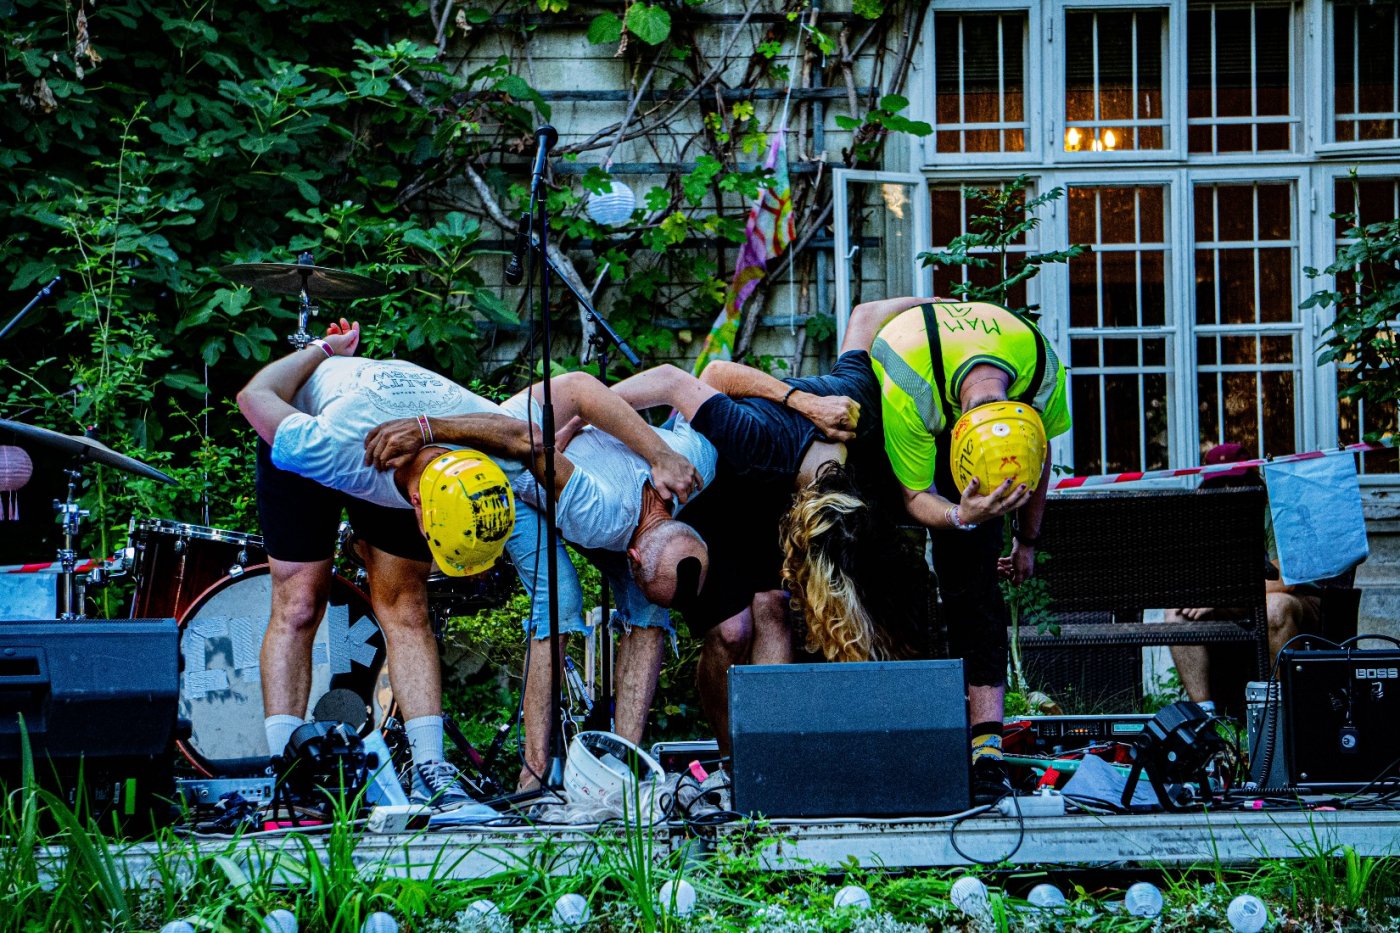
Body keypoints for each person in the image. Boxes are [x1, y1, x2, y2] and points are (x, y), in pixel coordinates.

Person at [238, 320, 703, 804]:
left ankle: (430, 770)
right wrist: (323, 350)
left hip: (419, 435)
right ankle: (283, 774)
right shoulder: (323, 448)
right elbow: (254, 396)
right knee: (300, 603)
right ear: (419, 510)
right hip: (309, 414)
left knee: (406, 607)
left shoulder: (489, 446)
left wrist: (429, 428)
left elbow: (519, 431)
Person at [363, 378, 717, 789]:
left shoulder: (696, 465)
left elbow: (706, 376)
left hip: (585, 490)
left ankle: (619, 768)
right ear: (633, 556)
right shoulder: (598, 511)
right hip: (506, 476)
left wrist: (585, 424)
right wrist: (629, 441)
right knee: (560, 600)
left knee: (650, 608)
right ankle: (532, 775)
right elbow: (572, 398)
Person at [604, 312, 926, 754]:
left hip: (775, 503)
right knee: (733, 632)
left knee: (774, 609)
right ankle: (730, 757)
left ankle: (768, 760)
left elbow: (865, 320)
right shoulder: (760, 436)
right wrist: (582, 415)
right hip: (709, 494)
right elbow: (711, 374)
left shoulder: (871, 440)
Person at [849, 297, 1072, 803]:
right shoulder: (910, 379)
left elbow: (1041, 454)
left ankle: (985, 750)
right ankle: (898, 733)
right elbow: (914, 497)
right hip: (890, 425)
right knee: (886, 572)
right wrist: (959, 515)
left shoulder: (1041, 370)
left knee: (974, 591)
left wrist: (1027, 541)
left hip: (971, 407)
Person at [1167, 443, 1323, 715]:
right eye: (1219, 485)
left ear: (1254, 482)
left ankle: (1284, 712)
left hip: (1297, 600)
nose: (1227, 491)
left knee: (1275, 608)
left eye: (1235, 482)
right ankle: (1206, 717)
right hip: (1238, 602)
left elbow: (1285, 582)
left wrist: (1221, 597)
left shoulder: (1274, 512)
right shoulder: (1203, 520)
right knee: (1176, 616)